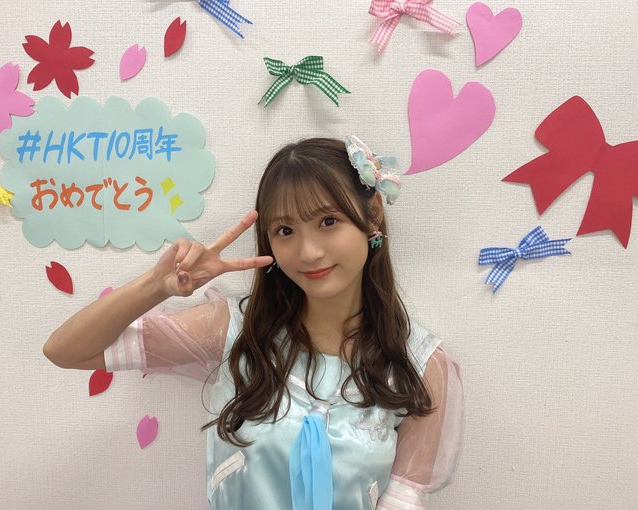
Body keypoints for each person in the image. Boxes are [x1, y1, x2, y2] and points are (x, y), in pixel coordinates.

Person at [43, 136, 464, 510]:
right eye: (285, 230)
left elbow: (404, 500)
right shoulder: (235, 332)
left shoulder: (418, 365)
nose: (308, 252)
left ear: (372, 216)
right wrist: (157, 284)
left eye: (328, 221)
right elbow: (66, 351)